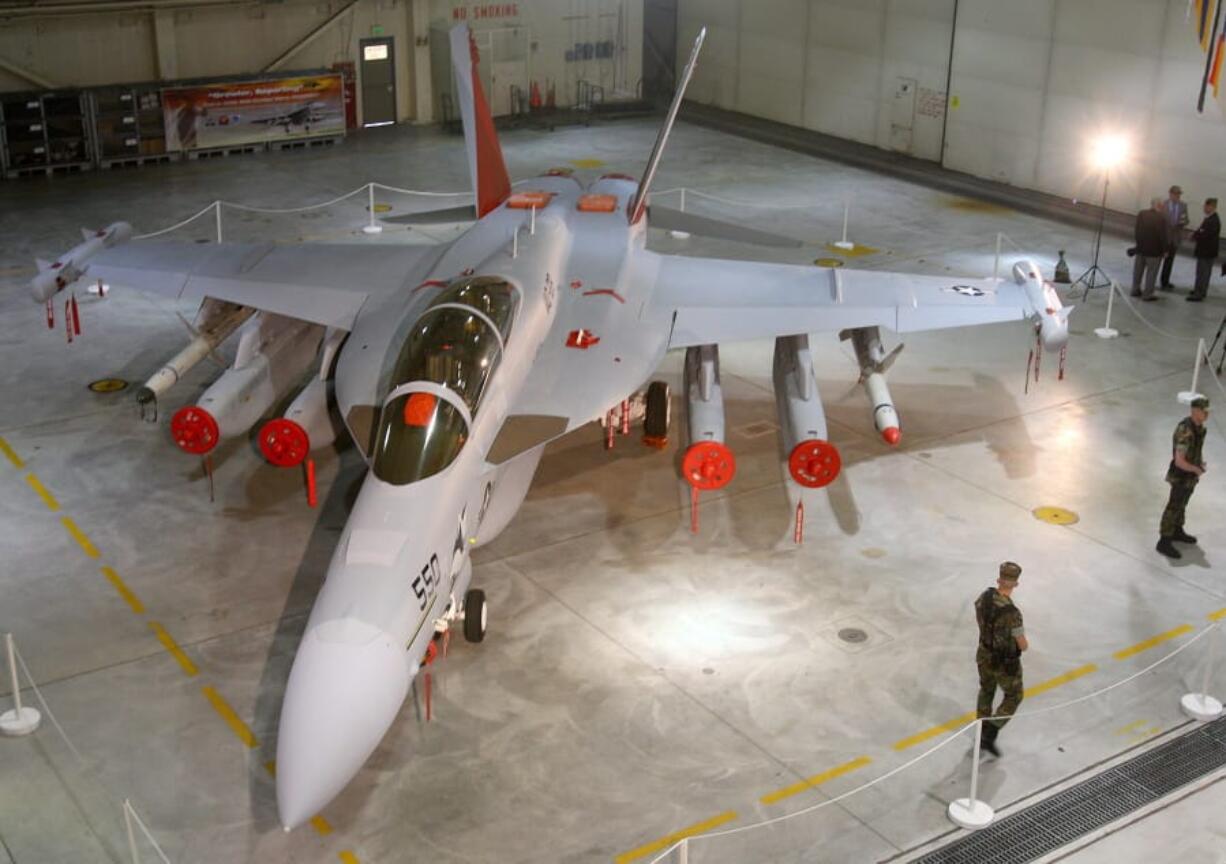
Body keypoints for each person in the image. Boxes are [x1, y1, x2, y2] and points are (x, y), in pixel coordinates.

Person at [974, 562, 1028, 756]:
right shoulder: (1012, 614)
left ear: (999, 579)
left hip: (984, 654)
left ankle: (981, 728)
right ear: (1016, 584)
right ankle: (991, 730)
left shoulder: (983, 598)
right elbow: (1022, 644)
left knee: (986, 690)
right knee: (1014, 696)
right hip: (1005, 664)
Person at [1157, 397, 1209, 559]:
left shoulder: (1199, 428)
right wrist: (1196, 469)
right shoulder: (1185, 431)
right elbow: (1179, 461)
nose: (1207, 414)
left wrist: (1199, 463)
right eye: (1204, 411)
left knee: (1182, 504)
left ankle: (1177, 530)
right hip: (1181, 475)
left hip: (1190, 475)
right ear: (1195, 411)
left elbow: (1195, 450)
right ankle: (1164, 540)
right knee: (1174, 506)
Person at [1132, 197, 1167, 301]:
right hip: (1154, 252)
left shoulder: (1142, 214)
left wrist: (1138, 244)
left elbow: (1137, 230)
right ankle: (1147, 294)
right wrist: (1165, 250)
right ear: (1160, 206)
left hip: (1141, 249)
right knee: (1152, 273)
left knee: (1138, 270)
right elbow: (1162, 236)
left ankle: (1135, 289)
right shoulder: (1161, 218)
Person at [1188, 198, 1220, 302]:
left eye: (1206, 206)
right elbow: (1202, 230)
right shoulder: (1210, 218)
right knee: (1203, 272)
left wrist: (1194, 236)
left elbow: (1204, 234)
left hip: (1206, 251)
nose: (1204, 208)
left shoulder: (1213, 220)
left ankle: (1199, 293)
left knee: (1203, 272)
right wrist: (1196, 233)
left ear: (1212, 207)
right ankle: (1200, 290)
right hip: (1207, 251)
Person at [1160, 184, 1190, 290]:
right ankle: (1152, 280)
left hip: (1175, 239)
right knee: (1158, 260)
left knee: (1169, 261)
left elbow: (1186, 220)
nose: (1177, 196)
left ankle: (1165, 282)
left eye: (1179, 194)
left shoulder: (1183, 206)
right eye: (1176, 194)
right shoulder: (1163, 205)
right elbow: (1159, 220)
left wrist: (1182, 222)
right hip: (1164, 238)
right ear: (1170, 194)